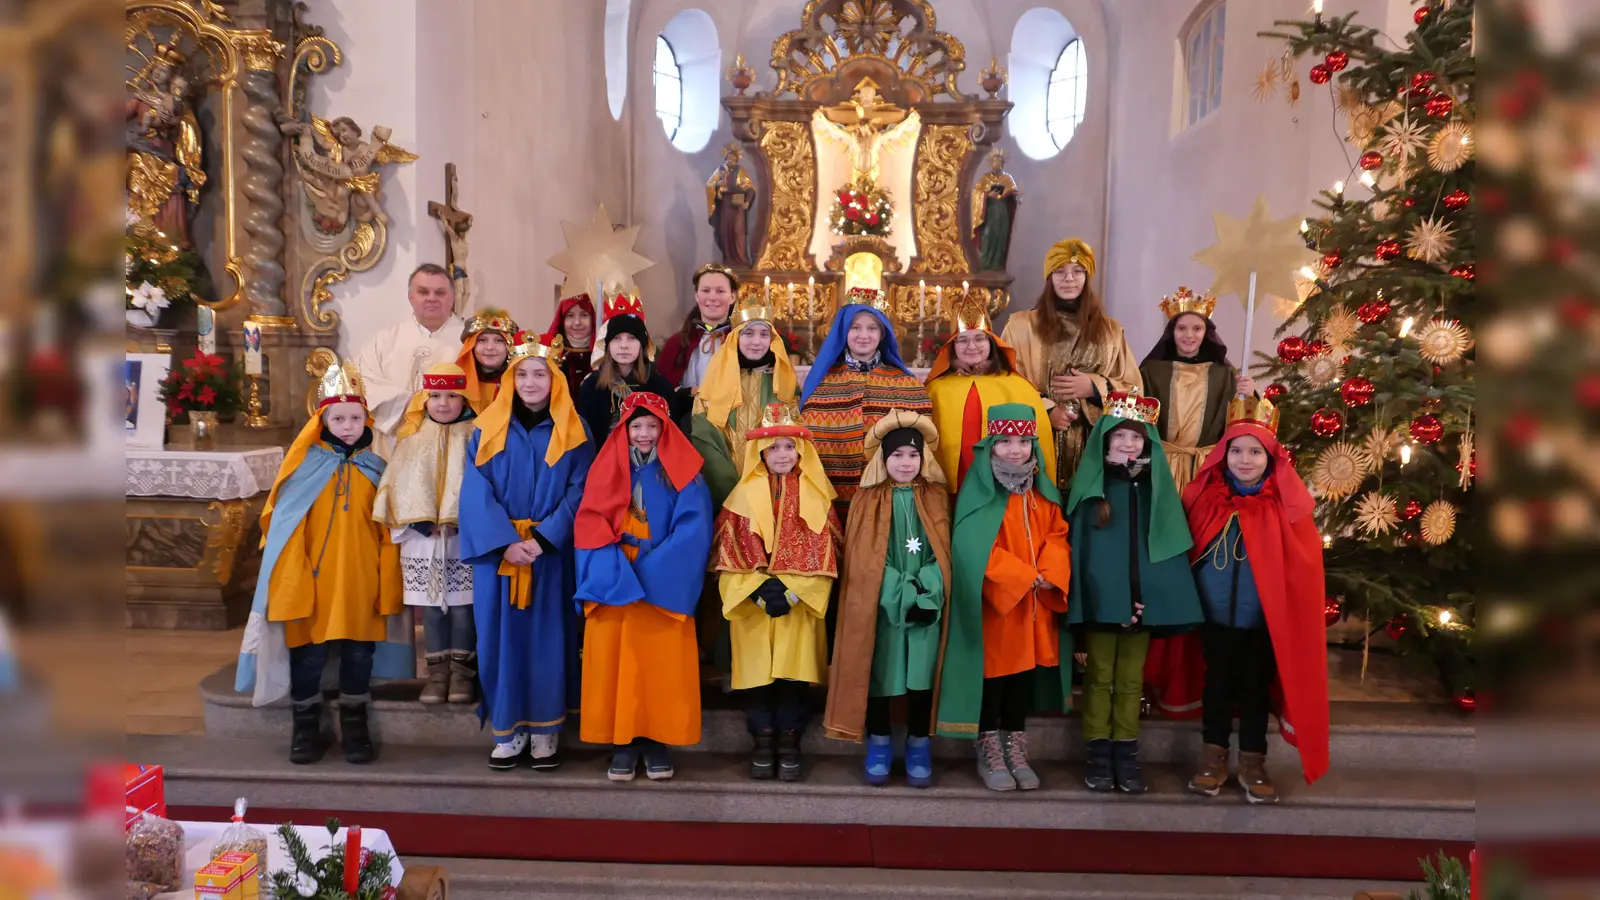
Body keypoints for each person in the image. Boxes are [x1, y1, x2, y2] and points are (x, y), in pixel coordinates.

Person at [234, 357, 413, 765]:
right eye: (339, 418)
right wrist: (293, 584)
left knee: (359, 655)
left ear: (366, 420)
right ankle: (305, 725)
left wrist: (386, 585)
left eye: (356, 418)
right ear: (322, 420)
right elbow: (286, 533)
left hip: (360, 584)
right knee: (309, 657)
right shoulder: (302, 470)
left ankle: (355, 724)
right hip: (311, 585)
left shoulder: (377, 469)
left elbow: (390, 533)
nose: (348, 426)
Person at [1156, 395, 1330, 803]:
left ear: (1270, 458)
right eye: (1236, 450)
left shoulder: (1285, 506)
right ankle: (1213, 755)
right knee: (1216, 685)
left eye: (1255, 452)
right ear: (1224, 454)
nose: (1245, 459)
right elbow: (1185, 555)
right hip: (1214, 619)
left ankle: (1253, 761)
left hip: (1264, 622)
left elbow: (1302, 567)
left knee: (1255, 689)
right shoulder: (1204, 499)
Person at [459, 331, 594, 771]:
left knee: (547, 642)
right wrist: (505, 542)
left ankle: (545, 732)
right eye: (522, 375)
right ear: (510, 380)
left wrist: (544, 538)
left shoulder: (575, 429)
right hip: (500, 557)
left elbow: (581, 490)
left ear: (555, 380)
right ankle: (508, 730)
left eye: (540, 374)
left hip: (549, 556)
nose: (531, 382)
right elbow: (475, 490)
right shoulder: (486, 427)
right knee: (499, 642)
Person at [1064, 389, 1204, 795]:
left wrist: (1149, 598)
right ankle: (1098, 752)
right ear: (1105, 440)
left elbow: (1163, 551)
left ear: (1148, 443)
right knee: (1099, 677)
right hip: (1102, 607)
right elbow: (1084, 557)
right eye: (1120, 436)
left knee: (1130, 681)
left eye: (1137, 437)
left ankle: (1126, 751)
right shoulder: (1090, 493)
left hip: (1141, 606)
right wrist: (1103, 600)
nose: (1128, 444)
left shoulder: (1155, 491)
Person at [575, 392, 714, 783]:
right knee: (616, 664)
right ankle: (622, 742)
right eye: (636, 425)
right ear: (623, 429)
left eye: (653, 425)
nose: (644, 433)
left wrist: (652, 570)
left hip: (662, 581)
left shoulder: (686, 474)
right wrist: (614, 566)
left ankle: (656, 741)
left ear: (665, 429)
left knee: (659, 667)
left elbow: (694, 530)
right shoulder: (604, 470)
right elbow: (589, 522)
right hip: (614, 574)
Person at [934, 404, 1072, 792]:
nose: (1015, 449)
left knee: (1022, 680)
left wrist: (1050, 572)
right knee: (994, 678)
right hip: (998, 605)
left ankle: (1015, 746)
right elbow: (972, 547)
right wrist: (1023, 576)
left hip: (1034, 604)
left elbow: (1058, 534)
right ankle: (989, 747)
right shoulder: (980, 491)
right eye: (1006, 441)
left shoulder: (1041, 492)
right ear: (991, 446)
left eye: (1024, 441)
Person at [713, 403, 844, 782]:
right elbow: (726, 555)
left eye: (789, 447)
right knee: (758, 678)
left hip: (799, 604)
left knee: (792, 676)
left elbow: (829, 553)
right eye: (773, 448)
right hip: (753, 604)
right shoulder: (740, 497)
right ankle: (762, 739)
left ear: (801, 451)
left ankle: (790, 740)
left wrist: (793, 591)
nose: (782, 455)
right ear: (760, 452)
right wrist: (756, 591)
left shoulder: (816, 496)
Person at [824, 411, 952, 788]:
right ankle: (878, 742)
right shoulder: (868, 499)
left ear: (923, 458)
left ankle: (918, 744)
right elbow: (865, 559)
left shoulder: (936, 498)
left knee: (922, 678)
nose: (906, 463)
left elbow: (944, 553)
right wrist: (900, 593)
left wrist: (927, 590)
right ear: (883, 458)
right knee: (879, 675)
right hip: (882, 608)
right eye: (897, 455)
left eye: (913, 455)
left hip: (927, 608)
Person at [372, 362, 478, 705]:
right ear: (424, 398)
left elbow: (486, 487)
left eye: (452, 396)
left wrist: (464, 520)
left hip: (463, 539)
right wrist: (419, 523)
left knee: (463, 608)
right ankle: (436, 674)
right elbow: (396, 485)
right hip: (422, 540)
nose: (443, 403)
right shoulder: (411, 437)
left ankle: (462, 674)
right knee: (432, 609)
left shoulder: (476, 435)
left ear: (464, 399)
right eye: (435, 395)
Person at [1000, 239, 1141, 490]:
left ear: (1087, 278)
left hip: (1093, 445)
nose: (1069, 279)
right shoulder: (1021, 326)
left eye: (1077, 271)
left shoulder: (1110, 331)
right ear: (1049, 277)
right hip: (1035, 441)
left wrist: (1095, 387)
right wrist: (1046, 410)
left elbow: (1135, 391)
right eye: (1059, 271)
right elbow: (1005, 381)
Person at [799, 287, 931, 506]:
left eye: (872, 328)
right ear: (844, 331)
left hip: (885, 499)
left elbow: (922, 443)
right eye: (855, 327)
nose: (863, 335)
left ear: (882, 334)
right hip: (829, 497)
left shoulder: (909, 384)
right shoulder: (820, 382)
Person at [924, 295, 1054, 492]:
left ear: (991, 342)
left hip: (1004, 490)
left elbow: (1039, 443)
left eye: (979, 338)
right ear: (953, 346)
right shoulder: (935, 389)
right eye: (962, 340)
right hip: (948, 490)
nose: (972, 347)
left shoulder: (1018, 386)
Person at [1139, 287, 1257, 494]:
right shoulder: (1151, 372)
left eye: (1197, 329)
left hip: (1206, 470)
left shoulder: (1224, 374)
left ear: (1206, 332)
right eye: (1181, 328)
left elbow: (1242, 424)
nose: (1189, 335)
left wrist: (1250, 395)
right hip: (1161, 467)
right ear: (1171, 331)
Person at [689, 298, 799, 506]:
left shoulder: (783, 384)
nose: (756, 342)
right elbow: (705, 439)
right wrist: (731, 490)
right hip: (724, 494)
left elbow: (792, 438)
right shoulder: (714, 381)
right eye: (748, 333)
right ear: (735, 337)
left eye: (764, 334)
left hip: (771, 493)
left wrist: (766, 486)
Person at [352, 263, 468, 457]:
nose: (432, 298)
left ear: (452, 297)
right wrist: (410, 402)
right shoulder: (384, 341)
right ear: (410, 297)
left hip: (453, 443)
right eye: (423, 292)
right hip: (395, 442)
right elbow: (361, 381)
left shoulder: (470, 341)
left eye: (440, 292)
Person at [575, 293, 677, 446]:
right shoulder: (592, 385)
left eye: (631, 338)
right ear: (608, 345)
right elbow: (585, 438)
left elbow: (670, 437)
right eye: (616, 338)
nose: (623, 346)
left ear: (642, 345)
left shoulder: (660, 386)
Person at [658, 263, 739, 389]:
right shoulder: (676, 344)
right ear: (696, 296)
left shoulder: (743, 341)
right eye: (706, 291)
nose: (712, 297)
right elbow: (661, 391)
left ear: (733, 296)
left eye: (720, 291)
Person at [455, 308, 520, 414]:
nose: (490, 347)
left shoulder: (523, 385)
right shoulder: (455, 385)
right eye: (482, 340)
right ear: (471, 345)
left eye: (498, 340)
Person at [541, 292, 596, 395]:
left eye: (584, 315)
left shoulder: (605, 354)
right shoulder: (550, 354)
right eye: (570, 316)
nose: (577, 322)